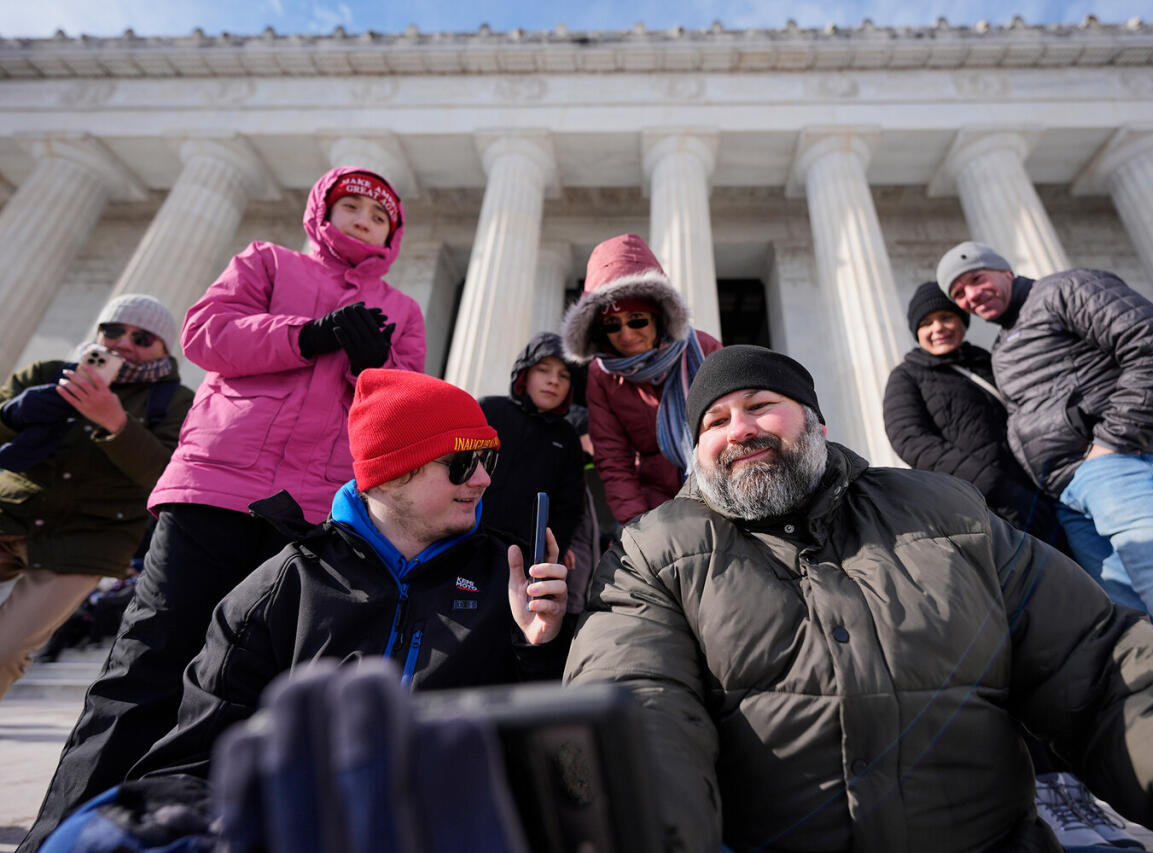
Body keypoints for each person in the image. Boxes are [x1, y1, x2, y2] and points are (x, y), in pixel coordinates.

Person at [564, 345, 1153, 853]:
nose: (738, 429)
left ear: (816, 422)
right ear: (695, 452)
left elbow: (1108, 676)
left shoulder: (946, 513)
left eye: (760, 406)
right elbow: (634, 716)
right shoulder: (655, 551)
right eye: (714, 421)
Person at [19, 167, 427, 853]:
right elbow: (207, 335)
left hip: (310, 511)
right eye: (350, 205)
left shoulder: (401, 310)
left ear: (393, 234)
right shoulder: (267, 262)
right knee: (149, 663)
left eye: (378, 214)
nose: (363, 219)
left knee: (248, 679)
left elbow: (401, 408)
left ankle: (192, 835)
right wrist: (309, 334)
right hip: (215, 485)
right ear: (321, 211)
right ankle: (63, 838)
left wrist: (369, 365)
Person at [123, 369, 568, 782]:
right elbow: (195, 761)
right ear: (391, 474)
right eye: (462, 462)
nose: (483, 479)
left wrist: (540, 649)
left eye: (487, 459)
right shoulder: (288, 584)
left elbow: (553, 763)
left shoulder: (509, 579)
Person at [935, 240, 1153, 718]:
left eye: (976, 279)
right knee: (1140, 633)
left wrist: (1112, 442)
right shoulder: (1005, 343)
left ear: (1004, 271)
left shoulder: (1065, 289)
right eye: (959, 293)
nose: (971, 296)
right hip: (1072, 497)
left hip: (1123, 469)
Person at [0, 295, 194, 700]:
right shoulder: (46, 373)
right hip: (11, 515)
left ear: (164, 349)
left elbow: (167, 476)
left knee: (6, 651)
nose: (123, 343)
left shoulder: (177, 402)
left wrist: (117, 423)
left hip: (86, 542)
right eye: (113, 330)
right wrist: (15, 414)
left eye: (142, 338)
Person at [882, 281, 1063, 546]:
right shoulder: (907, 375)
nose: (938, 328)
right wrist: (989, 482)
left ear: (962, 321)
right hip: (984, 503)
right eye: (927, 323)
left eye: (946, 317)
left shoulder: (988, 361)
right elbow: (910, 440)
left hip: (1038, 490)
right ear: (917, 332)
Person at [561, 233, 722, 525]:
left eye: (637, 319)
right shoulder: (602, 374)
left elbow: (731, 429)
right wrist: (638, 525)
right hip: (655, 504)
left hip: (719, 491)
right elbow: (613, 458)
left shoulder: (704, 349)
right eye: (612, 325)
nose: (626, 334)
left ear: (658, 317)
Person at [478, 332, 584, 557]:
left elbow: (570, 509)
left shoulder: (568, 438)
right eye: (543, 370)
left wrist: (549, 557)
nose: (553, 380)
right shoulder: (489, 410)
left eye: (564, 375)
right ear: (525, 374)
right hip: (462, 540)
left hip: (521, 558)